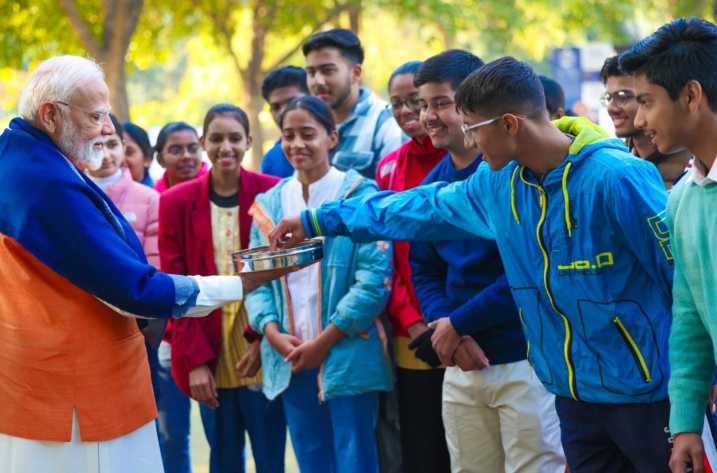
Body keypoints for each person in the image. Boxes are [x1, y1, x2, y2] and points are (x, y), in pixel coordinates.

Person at [270, 57, 675, 473]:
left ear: (510, 124)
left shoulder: (617, 178)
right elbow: (418, 208)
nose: (470, 139)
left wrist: (698, 381)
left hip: (649, 393)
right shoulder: (498, 183)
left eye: (473, 127)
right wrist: (319, 220)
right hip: (571, 395)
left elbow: (682, 282)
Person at [0, 54, 292, 473]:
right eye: (96, 116)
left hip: (38, 380)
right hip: (76, 391)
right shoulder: (46, 183)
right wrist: (242, 283)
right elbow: (132, 290)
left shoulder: (20, 156)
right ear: (50, 115)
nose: (107, 128)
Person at [407, 50, 564, 473]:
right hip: (459, 361)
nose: (429, 117)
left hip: (525, 359)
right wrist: (447, 328)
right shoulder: (434, 183)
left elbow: (527, 267)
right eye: (423, 105)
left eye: (441, 103)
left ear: (473, 103)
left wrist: (460, 323)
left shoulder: (516, 174)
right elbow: (423, 267)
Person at [245, 96, 393, 473]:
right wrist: (272, 333)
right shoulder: (269, 204)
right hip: (290, 355)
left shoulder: (360, 196)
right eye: (288, 135)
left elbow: (373, 281)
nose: (297, 144)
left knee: (355, 459)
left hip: (348, 351)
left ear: (332, 137)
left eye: (308, 134)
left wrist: (324, 342)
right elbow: (256, 282)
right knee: (311, 459)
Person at [159, 104, 285, 473]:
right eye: (216, 138)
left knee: (271, 457)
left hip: (262, 340)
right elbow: (177, 288)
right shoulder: (175, 202)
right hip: (207, 347)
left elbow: (281, 277)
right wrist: (195, 362)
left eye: (234, 138)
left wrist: (265, 339)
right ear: (203, 142)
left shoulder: (271, 193)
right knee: (224, 459)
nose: (225, 147)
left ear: (248, 141)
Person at [619, 17, 717, 473]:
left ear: (691, 95)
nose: (638, 120)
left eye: (646, 102)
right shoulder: (683, 199)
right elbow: (689, 318)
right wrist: (686, 424)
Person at [374, 59, 448, 473]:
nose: (407, 112)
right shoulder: (388, 167)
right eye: (396, 104)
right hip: (411, 329)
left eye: (415, 101)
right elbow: (387, 254)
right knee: (421, 440)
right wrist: (412, 321)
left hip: (463, 323)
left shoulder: (463, 160)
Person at [154, 119, 215, 473]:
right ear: (160, 157)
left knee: (219, 432)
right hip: (167, 332)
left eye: (193, 147)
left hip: (211, 329)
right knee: (173, 434)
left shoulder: (218, 192)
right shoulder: (154, 198)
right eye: (176, 150)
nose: (187, 156)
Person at [303, 28, 404, 178]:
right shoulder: (305, 124)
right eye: (311, 72)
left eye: (327, 71)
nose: (317, 81)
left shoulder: (385, 124)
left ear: (356, 73)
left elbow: (396, 190)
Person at [600, 55, 691, 189]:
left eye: (623, 96)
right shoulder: (613, 163)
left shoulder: (695, 166)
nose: (611, 108)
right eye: (608, 98)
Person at [261, 66, 309, 178]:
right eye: (276, 107)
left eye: (292, 102)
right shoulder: (272, 160)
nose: (283, 112)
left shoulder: (341, 143)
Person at [154, 121, 209, 193]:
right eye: (176, 151)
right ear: (160, 160)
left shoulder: (216, 188)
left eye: (193, 149)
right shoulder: (153, 196)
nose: (186, 156)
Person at [123, 121, 155, 187]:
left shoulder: (157, 193)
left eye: (129, 152)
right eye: (118, 152)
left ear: (147, 159)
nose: (121, 159)